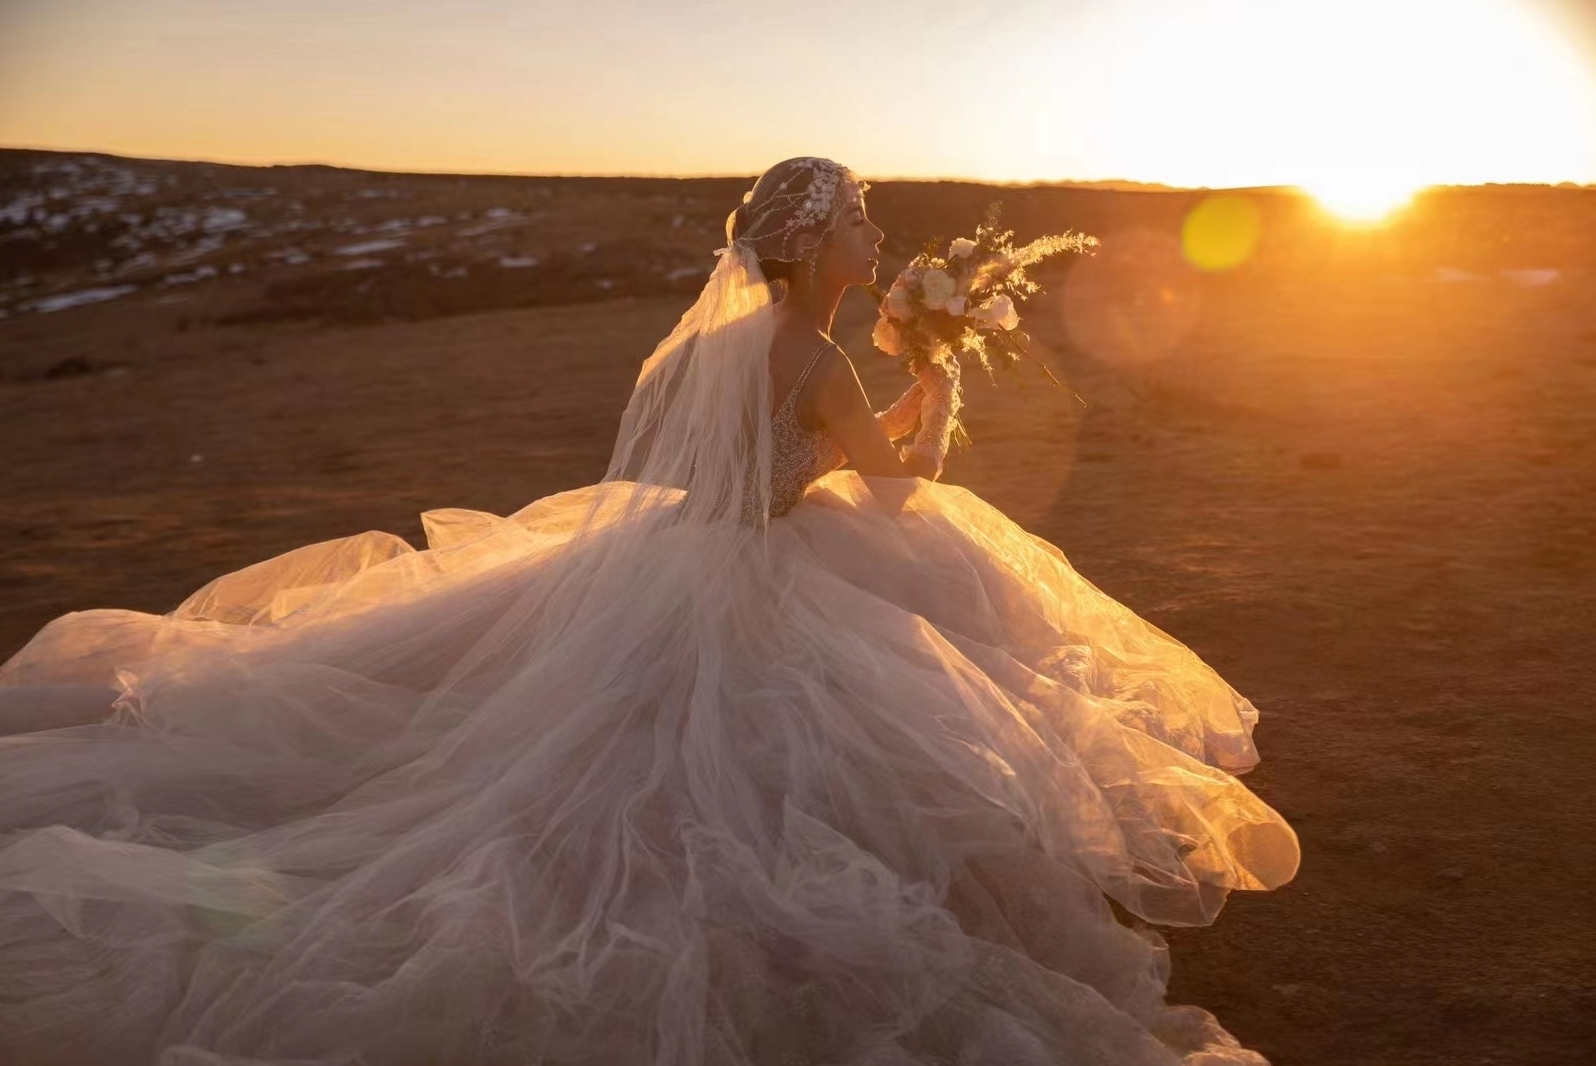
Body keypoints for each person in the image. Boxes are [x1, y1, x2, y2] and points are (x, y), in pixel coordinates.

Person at [0, 157, 1300, 1066]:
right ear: (812, 245)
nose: (876, 241)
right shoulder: (830, 352)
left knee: (609, 734)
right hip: (781, 569)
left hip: (675, 556)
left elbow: (755, 460)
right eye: (860, 222)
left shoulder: (719, 345)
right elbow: (898, 489)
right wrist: (940, 386)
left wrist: (879, 401)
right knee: (807, 735)